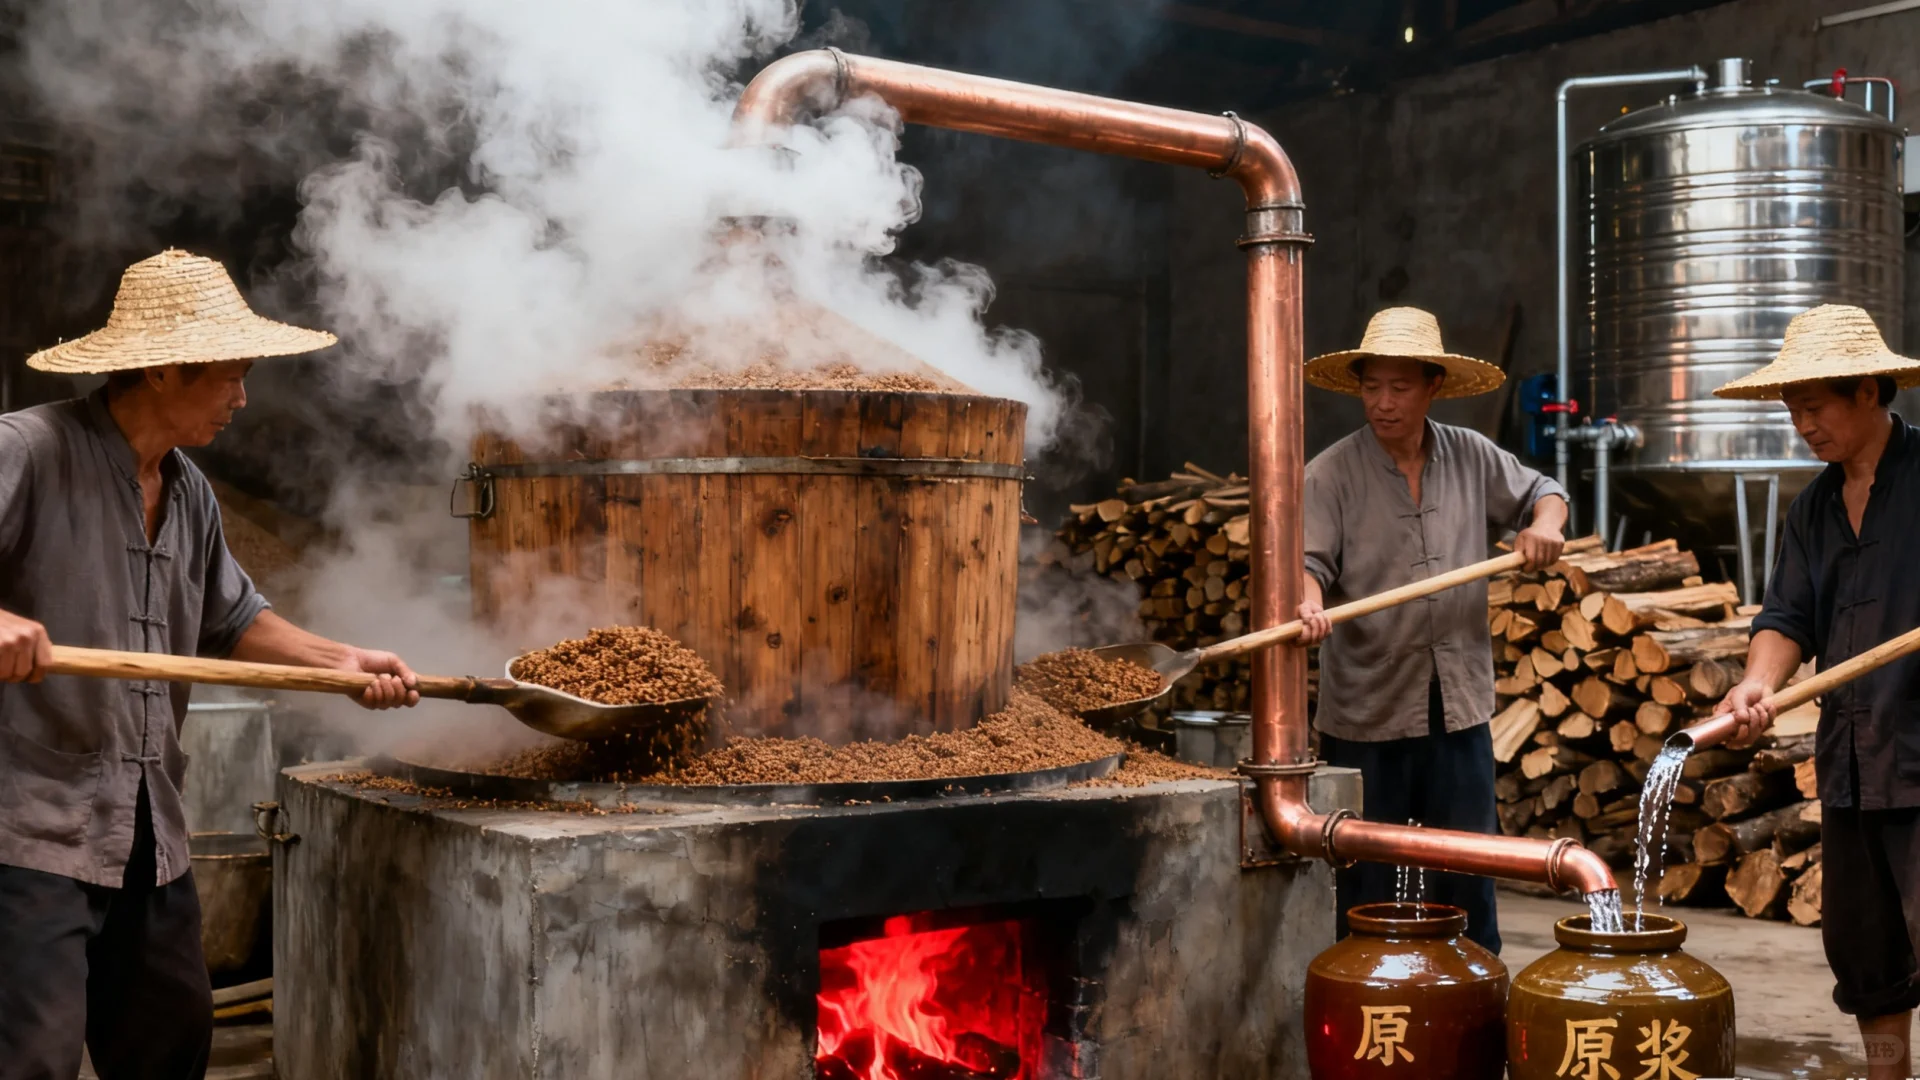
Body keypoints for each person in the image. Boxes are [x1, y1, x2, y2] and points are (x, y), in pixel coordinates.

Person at [0, 249, 422, 1080]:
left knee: (172, 1040)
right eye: (230, 375)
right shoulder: (30, 450)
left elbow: (232, 619)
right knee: (33, 1058)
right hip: (29, 831)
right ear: (161, 370)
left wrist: (341, 660)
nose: (242, 397)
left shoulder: (188, 490)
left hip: (148, 830)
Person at [1296, 306, 1568, 953]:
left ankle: (1471, 1013)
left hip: (1459, 710)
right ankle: (1372, 1023)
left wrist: (1546, 525)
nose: (1383, 403)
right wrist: (1308, 603)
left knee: (1468, 875)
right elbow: (1305, 566)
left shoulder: (1472, 456)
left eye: (1399, 387)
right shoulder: (1330, 474)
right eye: (1372, 387)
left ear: (1432, 387)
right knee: (1366, 889)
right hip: (1368, 715)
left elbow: (1543, 491)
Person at [1709, 304, 1920, 1080]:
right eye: (1793, 408)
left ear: (1868, 391)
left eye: (1815, 405)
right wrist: (1756, 686)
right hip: (1853, 763)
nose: (1802, 423)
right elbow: (1787, 615)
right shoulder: (1813, 509)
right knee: (1868, 957)